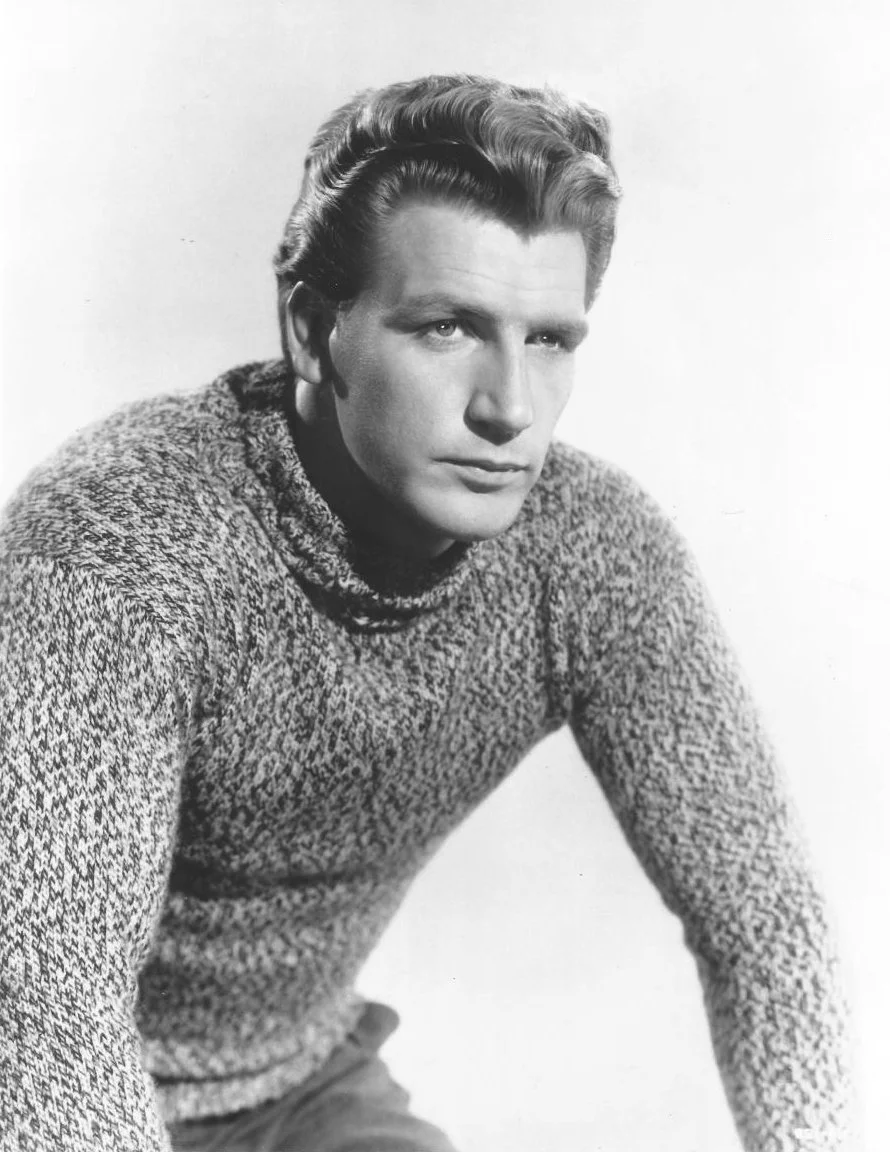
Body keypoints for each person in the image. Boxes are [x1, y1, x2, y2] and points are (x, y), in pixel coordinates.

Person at [0, 74, 852, 1152]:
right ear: (314, 331)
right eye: (449, 327)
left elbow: (764, 925)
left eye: (550, 340)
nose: (509, 407)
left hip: (296, 1086)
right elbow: (44, 1010)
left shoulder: (589, 552)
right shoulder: (118, 544)